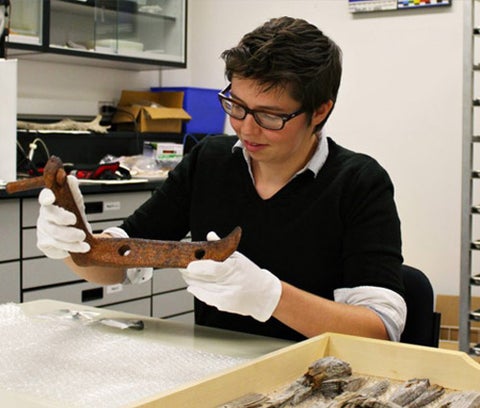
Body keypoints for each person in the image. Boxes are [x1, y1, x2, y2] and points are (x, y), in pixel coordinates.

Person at [36, 16, 406, 342]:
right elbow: (116, 267)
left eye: (269, 116)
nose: (245, 127)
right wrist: (75, 243)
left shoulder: (360, 183)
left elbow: (378, 329)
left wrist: (271, 297)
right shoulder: (209, 161)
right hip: (215, 366)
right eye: (237, 105)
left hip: (318, 376)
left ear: (320, 111)